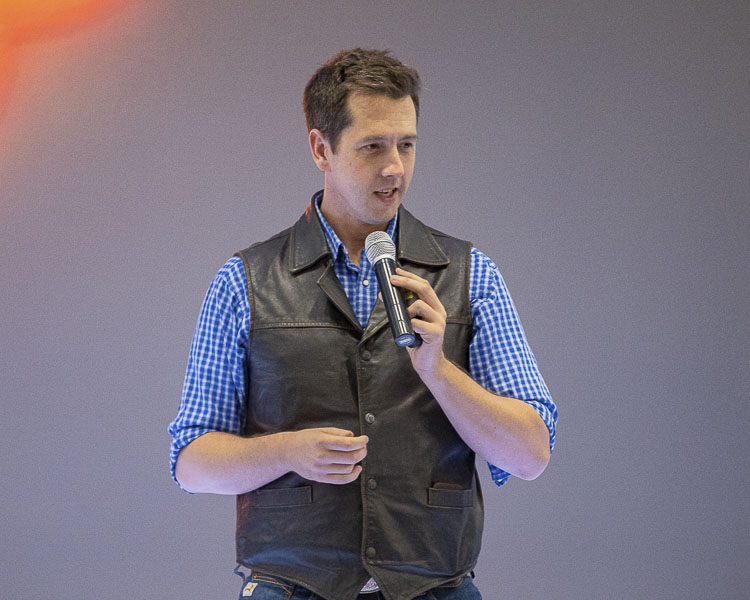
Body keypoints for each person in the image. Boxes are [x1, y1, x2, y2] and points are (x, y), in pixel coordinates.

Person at [168, 48, 557, 600]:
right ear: (320, 148)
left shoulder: (473, 276)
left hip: (436, 587)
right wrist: (288, 452)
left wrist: (438, 369)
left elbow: (531, 455)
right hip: (294, 587)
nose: (394, 166)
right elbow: (191, 462)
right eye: (373, 146)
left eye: (407, 144)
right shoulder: (245, 282)